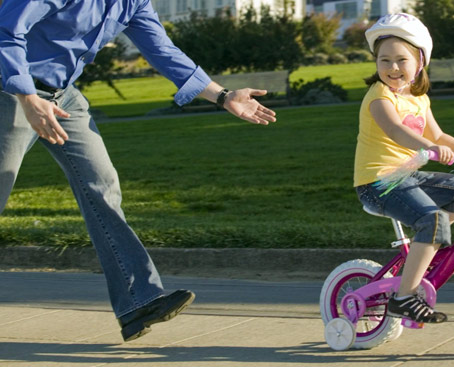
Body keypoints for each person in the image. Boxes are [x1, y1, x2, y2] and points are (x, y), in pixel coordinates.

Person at [0, 0, 276, 342]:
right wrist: (27, 97)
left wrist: (222, 96)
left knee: (102, 187)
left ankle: (138, 302)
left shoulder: (133, 2)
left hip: (62, 97)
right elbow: (7, 29)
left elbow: (161, 49)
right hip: (11, 91)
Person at [354, 13, 454, 323]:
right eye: (384, 60)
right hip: (378, 183)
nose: (392, 68)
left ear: (419, 62)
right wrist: (427, 148)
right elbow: (394, 130)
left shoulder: (419, 99)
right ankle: (403, 298)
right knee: (433, 221)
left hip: (408, 177)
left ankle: (428, 252)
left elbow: (439, 136)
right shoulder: (379, 97)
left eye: (400, 60)